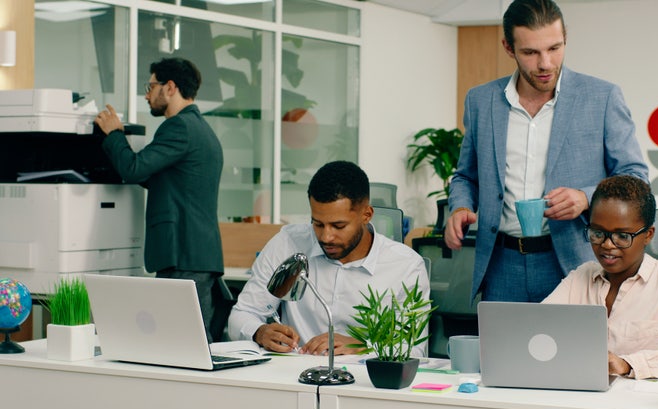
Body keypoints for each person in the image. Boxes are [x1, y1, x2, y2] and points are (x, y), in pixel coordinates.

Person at [445, 0, 649, 303]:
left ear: (565, 37)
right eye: (530, 52)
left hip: (574, 261)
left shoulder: (602, 97)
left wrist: (585, 198)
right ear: (508, 47)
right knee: (501, 351)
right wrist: (460, 207)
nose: (546, 64)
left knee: (577, 351)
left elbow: (636, 179)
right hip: (501, 264)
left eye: (554, 48)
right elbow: (465, 175)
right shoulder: (480, 101)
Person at [228, 161, 430, 356]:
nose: (326, 237)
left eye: (338, 226)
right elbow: (242, 314)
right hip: (292, 377)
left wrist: (362, 346)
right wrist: (259, 332)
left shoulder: (406, 266)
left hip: (366, 383)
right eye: (317, 224)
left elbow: (414, 349)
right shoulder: (288, 242)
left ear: (367, 215)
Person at [93, 57, 226, 342]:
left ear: (170, 87)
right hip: (195, 254)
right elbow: (154, 177)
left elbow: (134, 169)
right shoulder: (201, 129)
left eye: (150, 86)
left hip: (183, 253)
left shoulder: (178, 127)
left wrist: (115, 134)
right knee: (189, 342)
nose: (146, 94)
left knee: (179, 342)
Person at [543, 175, 658, 379]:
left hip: (642, 405)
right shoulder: (581, 277)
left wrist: (628, 364)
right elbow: (539, 327)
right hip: (582, 399)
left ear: (648, 235)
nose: (607, 245)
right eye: (598, 233)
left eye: (622, 236)